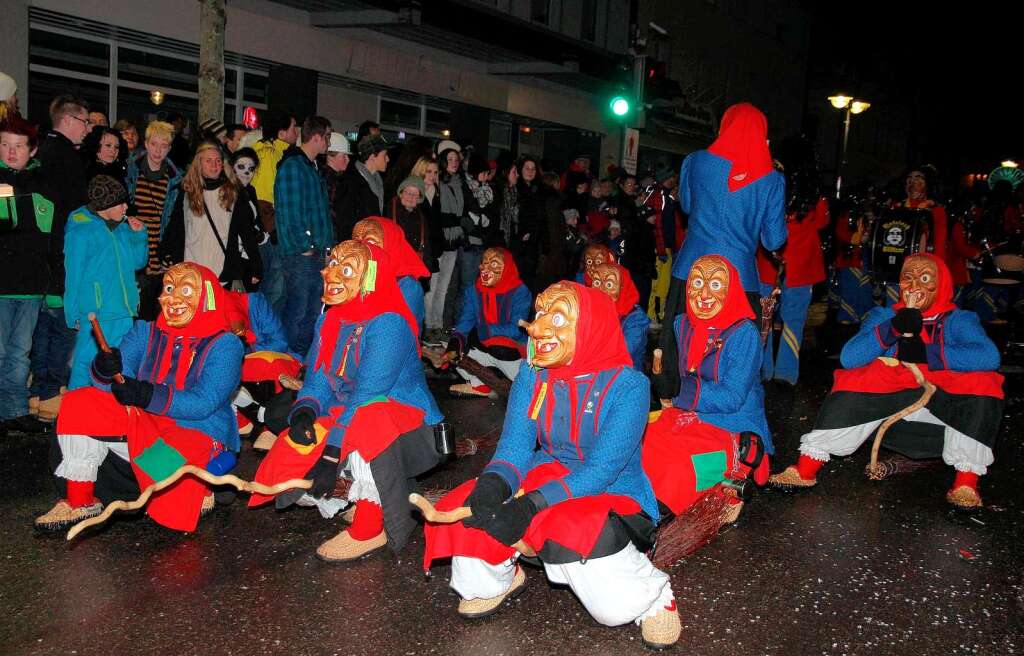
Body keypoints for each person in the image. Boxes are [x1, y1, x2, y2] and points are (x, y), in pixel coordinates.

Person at [421, 281, 681, 649]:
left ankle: (655, 597)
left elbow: (602, 470)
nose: (538, 327)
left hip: (611, 488)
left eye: (557, 318)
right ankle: (500, 577)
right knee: (468, 511)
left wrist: (530, 505)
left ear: (589, 327)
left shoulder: (629, 386)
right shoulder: (533, 373)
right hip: (550, 468)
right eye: (541, 314)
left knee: (609, 601)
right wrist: (493, 485)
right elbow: (514, 446)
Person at [249, 240, 444, 561]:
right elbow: (317, 381)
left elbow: (367, 395)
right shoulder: (330, 320)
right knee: (286, 469)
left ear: (369, 277)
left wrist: (330, 454)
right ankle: (375, 492)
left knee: (369, 418)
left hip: (409, 430)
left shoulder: (390, 323)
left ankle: (371, 527)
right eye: (331, 263)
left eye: (346, 268)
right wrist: (304, 413)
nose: (330, 273)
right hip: (354, 415)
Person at [769, 254, 1003, 509]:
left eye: (925, 279)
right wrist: (892, 329)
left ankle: (966, 482)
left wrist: (927, 354)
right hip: (887, 412)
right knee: (860, 375)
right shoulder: (883, 315)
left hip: (941, 416)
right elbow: (850, 357)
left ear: (942, 283)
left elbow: (988, 356)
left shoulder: (958, 320)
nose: (914, 287)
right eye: (908, 278)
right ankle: (806, 467)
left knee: (984, 382)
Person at [36, 262, 243, 531]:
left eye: (186, 290)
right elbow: (116, 381)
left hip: (193, 430)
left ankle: (201, 486)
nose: (173, 297)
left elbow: (204, 403)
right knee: (80, 402)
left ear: (207, 298)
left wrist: (146, 395)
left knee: (173, 473)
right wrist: (105, 368)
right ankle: (80, 500)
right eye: (169, 288)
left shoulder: (225, 345)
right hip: (143, 421)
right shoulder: (145, 332)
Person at [645, 255, 772, 525]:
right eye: (698, 282)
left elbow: (733, 397)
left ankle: (675, 499)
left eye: (715, 285)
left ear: (731, 290)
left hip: (730, 423)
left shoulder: (743, 334)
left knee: (680, 463)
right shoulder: (683, 324)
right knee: (647, 439)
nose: (703, 293)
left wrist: (680, 389)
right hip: (688, 413)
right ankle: (640, 499)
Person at [32, 95, 94, 421]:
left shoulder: (42, 152)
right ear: (69, 120)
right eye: (85, 122)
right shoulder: (67, 158)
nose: (88, 129)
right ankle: (52, 392)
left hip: (42, 255)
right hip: (62, 256)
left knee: (42, 326)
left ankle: (37, 391)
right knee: (62, 325)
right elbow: (75, 213)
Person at [63, 175, 148, 390]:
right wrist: (72, 313)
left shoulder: (122, 228)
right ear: (105, 206)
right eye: (120, 203)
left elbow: (138, 262)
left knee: (120, 366)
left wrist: (139, 235)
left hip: (124, 311)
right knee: (85, 364)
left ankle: (108, 415)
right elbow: (73, 274)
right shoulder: (81, 231)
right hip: (96, 314)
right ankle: (75, 413)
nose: (126, 207)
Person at [0, 116, 58, 434]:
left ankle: (14, 411)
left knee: (20, 354)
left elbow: (45, 236)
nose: (11, 152)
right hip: (3, 284)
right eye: (5, 144)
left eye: (19, 146)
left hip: (31, 284)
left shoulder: (42, 185)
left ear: (32, 150)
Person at [755, 148, 829, 384]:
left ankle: (763, 371)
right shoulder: (814, 194)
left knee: (764, 317)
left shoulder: (769, 184)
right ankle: (786, 374)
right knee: (793, 321)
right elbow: (822, 221)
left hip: (768, 259)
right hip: (801, 264)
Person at [158, 140, 263, 291]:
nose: (214, 165)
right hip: (191, 269)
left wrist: (256, 265)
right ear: (198, 163)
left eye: (218, 160)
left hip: (221, 271)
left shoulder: (234, 193)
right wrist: (165, 253)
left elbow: (246, 231)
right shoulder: (187, 192)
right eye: (208, 161)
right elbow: (175, 227)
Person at [274, 116, 334, 356]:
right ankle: (287, 359)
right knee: (298, 310)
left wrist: (326, 248)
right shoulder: (293, 167)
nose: (329, 142)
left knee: (311, 310)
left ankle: (298, 359)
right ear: (317, 137)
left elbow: (319, 214)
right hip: (302, 254)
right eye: (328, 136)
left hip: (314, 252)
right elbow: (291, 212)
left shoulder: (309, 167)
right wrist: (305, 246)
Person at [443, 247, 530, 398]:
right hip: (484, 346)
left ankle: (517, 383)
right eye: (484, 262)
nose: (485, 268)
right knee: (454, 347)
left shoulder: (519, 291)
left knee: (502, 350)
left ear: (507, 267)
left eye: (494, 264)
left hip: (510, 351)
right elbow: (465, 321)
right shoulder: (474, 290)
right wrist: (455, 343)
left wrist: (485, 332)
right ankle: (479, 385)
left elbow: (517, 329)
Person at [126, 120, 184, 320]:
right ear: (146, 143)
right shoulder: (131, 169)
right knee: (132, 300)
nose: (158, 151)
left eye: (164, 145)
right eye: (154, 144)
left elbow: (174, 220)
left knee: (153, 303)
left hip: (158, 244)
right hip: (133, 241)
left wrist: (167, 252)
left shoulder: (175, 177)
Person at [251, 109, 299, 318]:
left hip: (262, 228)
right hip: (273, 228)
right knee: (275, 286)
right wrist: (273, 228)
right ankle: (264, 331)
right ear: (281, 133)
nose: (297, 132)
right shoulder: (277, 154)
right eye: (293, 127)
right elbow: (267, 196)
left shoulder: (256, 149)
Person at [352, 216, 430, 327]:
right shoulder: (360, 274)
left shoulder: (407, 286)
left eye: (370, 241)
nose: (360, 248)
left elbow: (398, 330)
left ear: (390, 242)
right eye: (356, 241)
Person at [588, 262, 649, 370]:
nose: (601, 290)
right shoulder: (592, 311)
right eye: (597, 282)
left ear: (622, 287)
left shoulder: (636, 319)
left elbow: (621, 352)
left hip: (623, 377)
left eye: (609, 285)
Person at [334, 134, 389, 241]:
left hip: (371, 244)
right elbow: (344, 223)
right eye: (385, 155)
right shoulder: (350, 183)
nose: (388, 159)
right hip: (357, 248)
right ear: (372, 157)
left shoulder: (377, 182)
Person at [390, 176, 436, 273]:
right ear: (401, 193)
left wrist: (426, 272)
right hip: (392, 268)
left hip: (413, 269)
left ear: (419, 199)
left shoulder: (422, 218)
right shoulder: (388, 211)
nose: (411, 197)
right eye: (408, 193)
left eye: (415, 195)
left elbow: (426, 247)